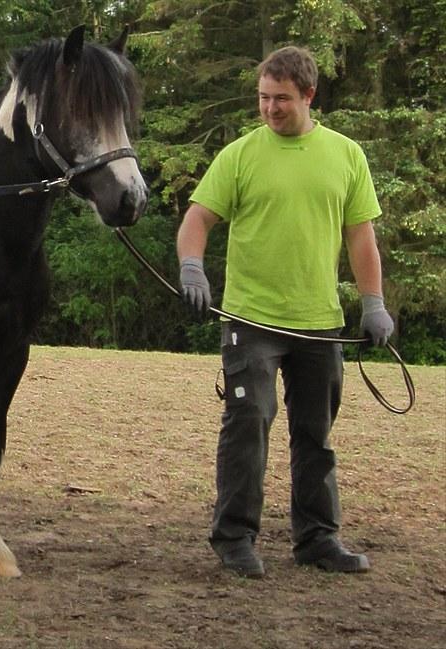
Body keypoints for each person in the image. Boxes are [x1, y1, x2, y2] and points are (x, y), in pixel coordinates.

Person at [177, 46, 394, 578]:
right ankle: (234, 538)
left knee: (315, 433)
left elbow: (361, 239)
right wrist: (192, 267)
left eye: (281, 99)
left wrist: (373, 305)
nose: (270, 108)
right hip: (251, 321)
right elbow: (197, 219)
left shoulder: (346, 156)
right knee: (248, 422)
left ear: (308, 95)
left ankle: (318, 539)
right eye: (263, 98)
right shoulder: (240, 155)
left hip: (320, 322)